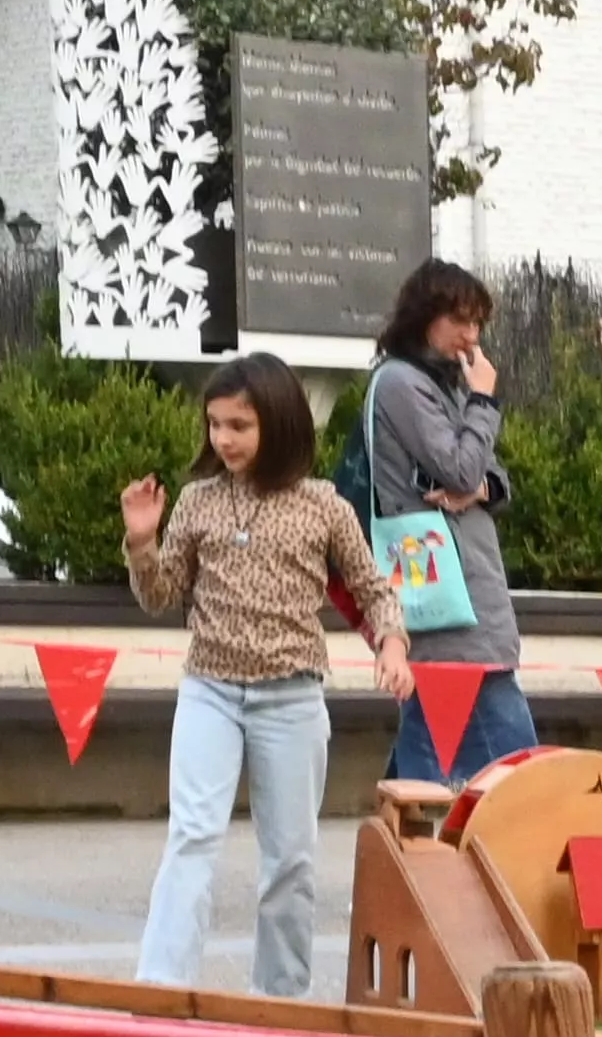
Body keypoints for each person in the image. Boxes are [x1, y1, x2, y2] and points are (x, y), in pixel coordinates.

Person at [121, 351, 404, 997]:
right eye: (216, 425)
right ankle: (160, 989)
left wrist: (392, 643)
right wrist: (143, 542)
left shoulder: (323, 506)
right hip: (210, 691)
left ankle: (282, 999)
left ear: (277, 424)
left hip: (292, 696)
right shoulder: (197, 501)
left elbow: (371, 587)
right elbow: (162, 595)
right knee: (191, 836)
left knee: (291, 860)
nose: (224, 439)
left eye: (239, 426)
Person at [363, 263, 535, 788]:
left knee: (427, 763)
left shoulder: (445, 385)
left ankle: (400, 857)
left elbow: (491, 475)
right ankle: (416, 855)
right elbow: (460, 465)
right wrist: (484, 401)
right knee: (519, 775)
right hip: (448, 606)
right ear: (424, 318)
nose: (472, 336)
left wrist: (481, 488)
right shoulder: (401, 383)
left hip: (464, 597)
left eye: (478, 322)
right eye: (460, 320)